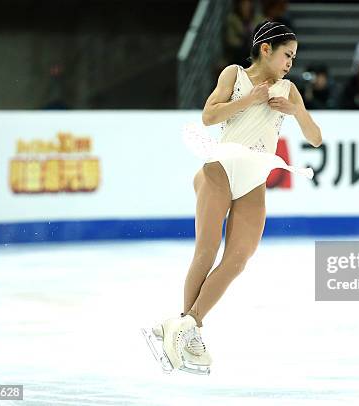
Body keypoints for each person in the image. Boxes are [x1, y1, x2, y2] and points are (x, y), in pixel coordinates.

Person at [143, 20, 322, 375]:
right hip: (220, 165)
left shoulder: (288, 90)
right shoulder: (234, 74)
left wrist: (297, 112)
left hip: (255, 176)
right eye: (287, 54)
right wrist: (249, 100)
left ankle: (184, 325)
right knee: (207, 251)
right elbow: (208, 115)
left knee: (238, 259)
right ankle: (188, 330)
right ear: (266, 49)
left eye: (294, 57)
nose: (290, 63)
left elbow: (315, 138)